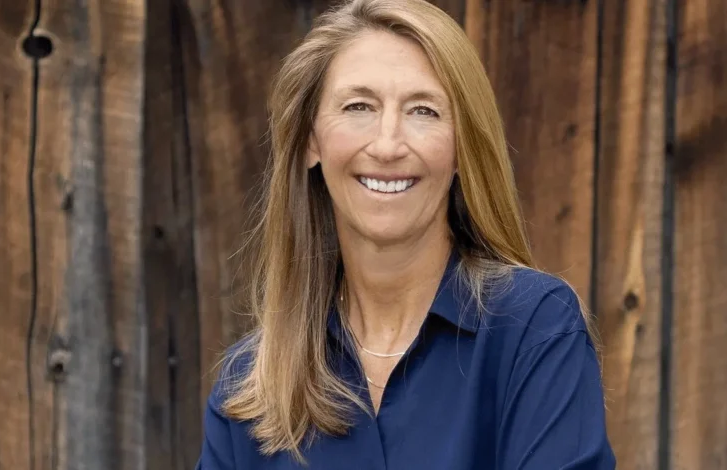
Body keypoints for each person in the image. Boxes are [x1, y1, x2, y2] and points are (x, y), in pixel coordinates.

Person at [196, 0, 616, 468]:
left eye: (423, 111)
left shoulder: (534, 328)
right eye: (359, 106)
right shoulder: (249, 386)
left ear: (461, 149)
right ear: (311, 140)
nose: (388, 145)